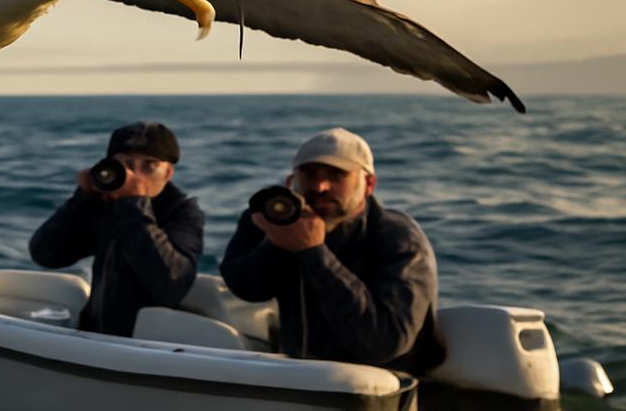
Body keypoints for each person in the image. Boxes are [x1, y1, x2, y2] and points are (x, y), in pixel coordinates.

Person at [220, 127, 445, 374]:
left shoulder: (399, 238)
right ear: (291, 181)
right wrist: (276, 244)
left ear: (369, 184)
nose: (320, 186)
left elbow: (383, 342)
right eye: (309, 174)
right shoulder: (279, 221)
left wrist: (313, 253)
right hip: (298, 376)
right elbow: (246, 288)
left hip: (379, 385)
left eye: (336, 176)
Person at [29, 121, 204, 337]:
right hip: (94, 334)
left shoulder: (182, 212)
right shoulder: (107, 205)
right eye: (127, 164)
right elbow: (45, 255)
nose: (137, 174)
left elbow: (171, 286)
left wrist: (134, 206)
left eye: (149, 165)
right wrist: (82, 200)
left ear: (167, 172)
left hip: (148, 341)